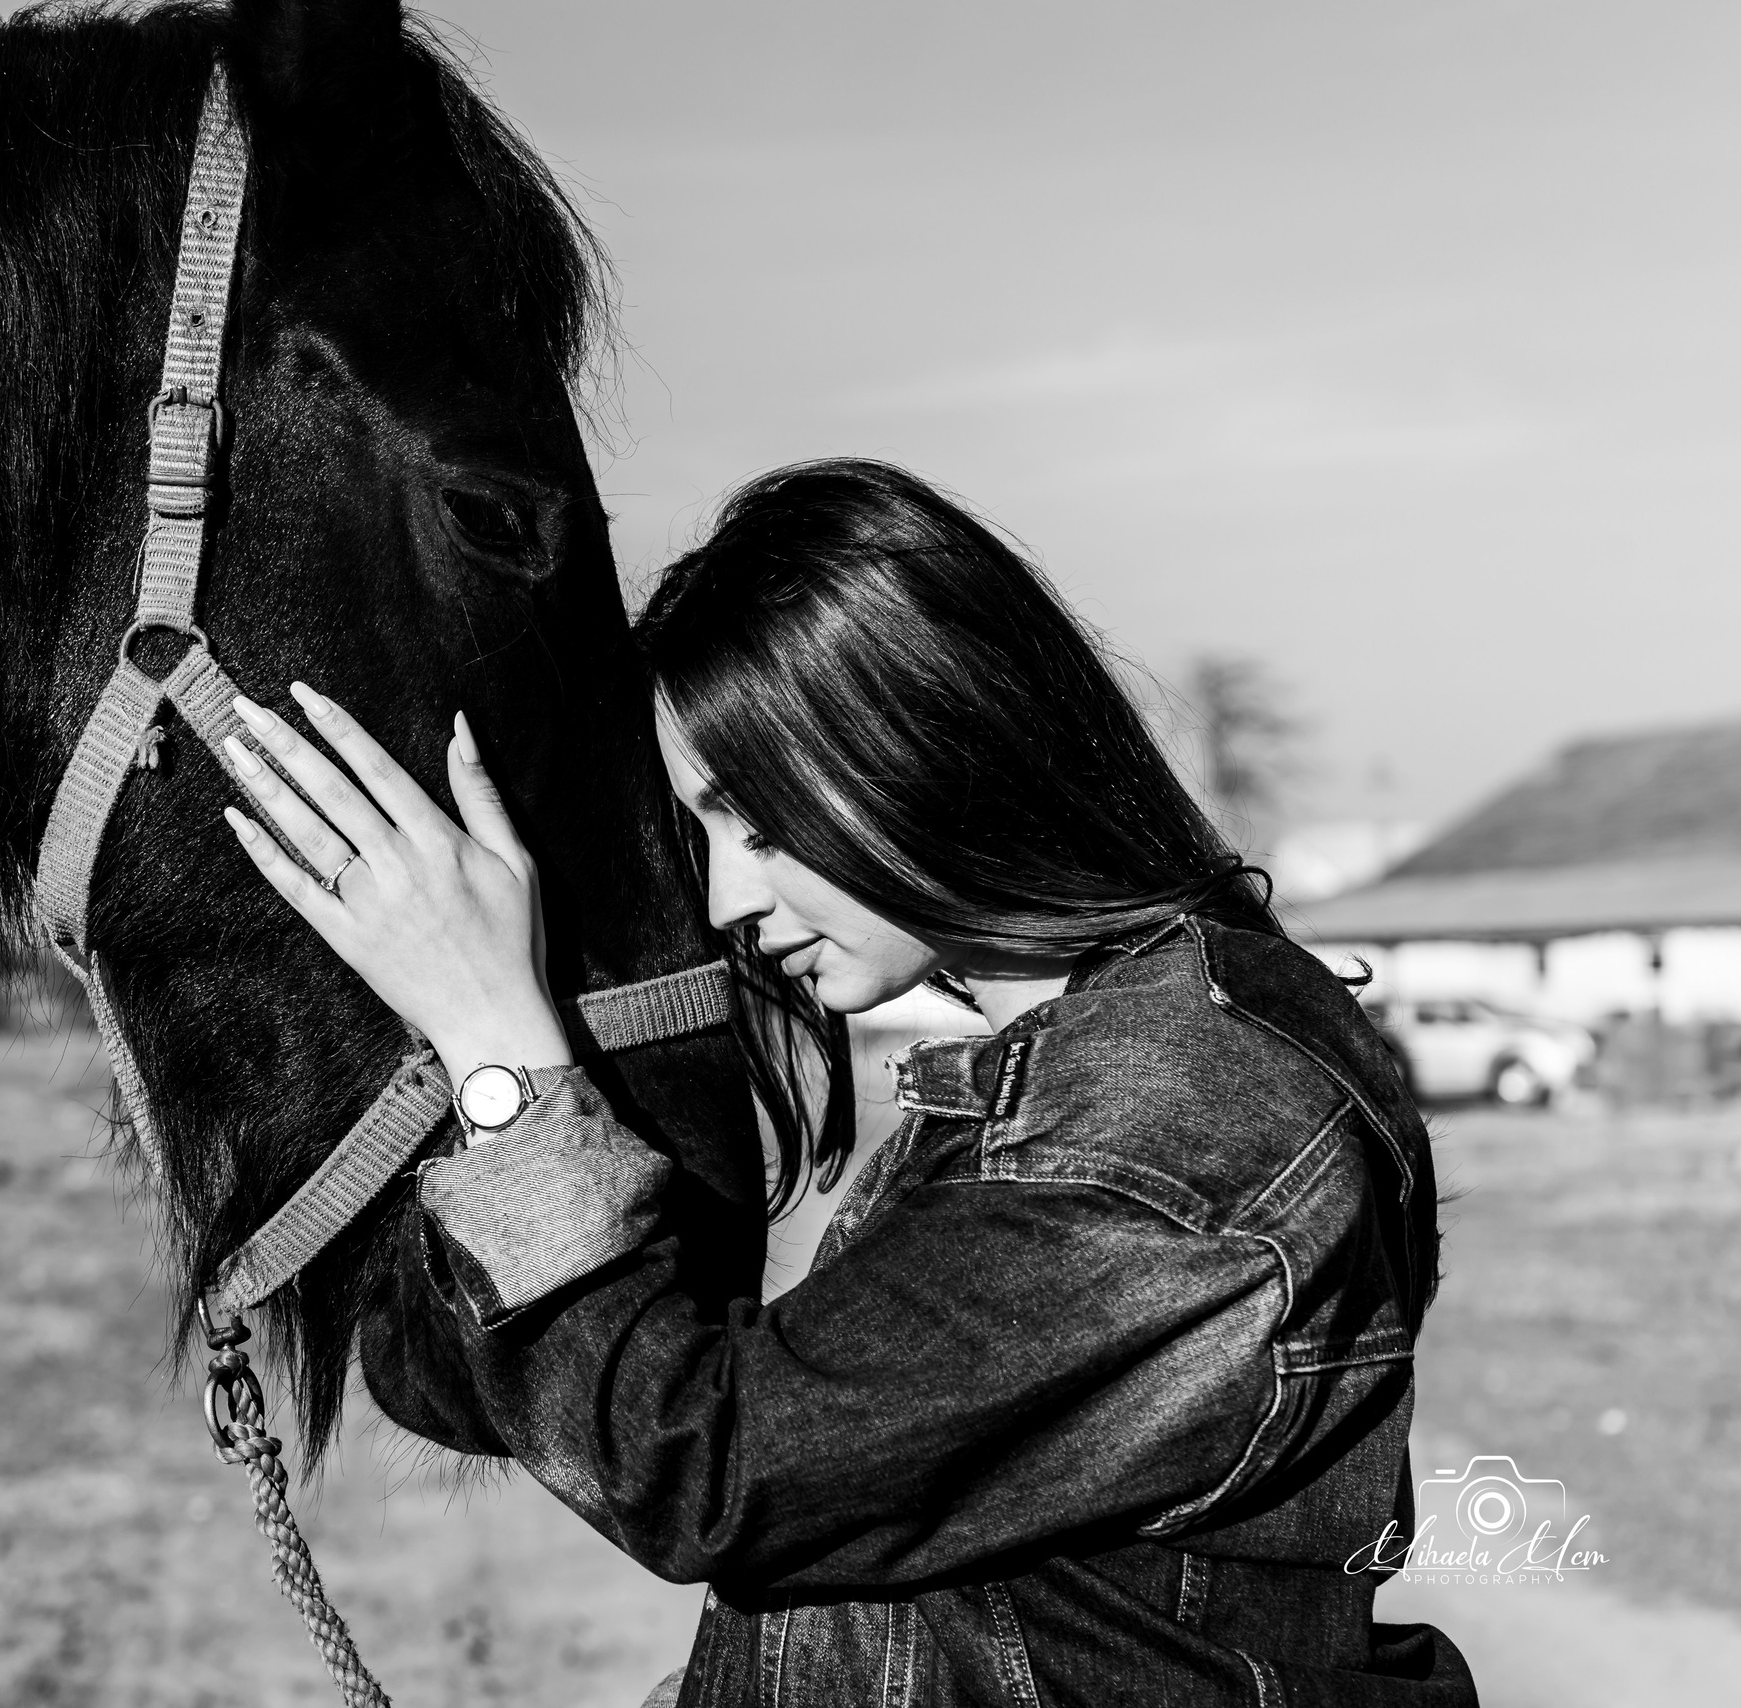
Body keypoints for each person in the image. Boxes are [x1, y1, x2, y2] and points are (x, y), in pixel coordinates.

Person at [215, 458, 1475, 1706]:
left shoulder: (1175, 1125)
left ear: (919, 738)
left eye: (755, 822)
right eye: (703, 838)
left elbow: (713, 1473)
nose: (728, 900)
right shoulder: (1093, 1063)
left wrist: (500, 1044)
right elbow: (917, 1559)